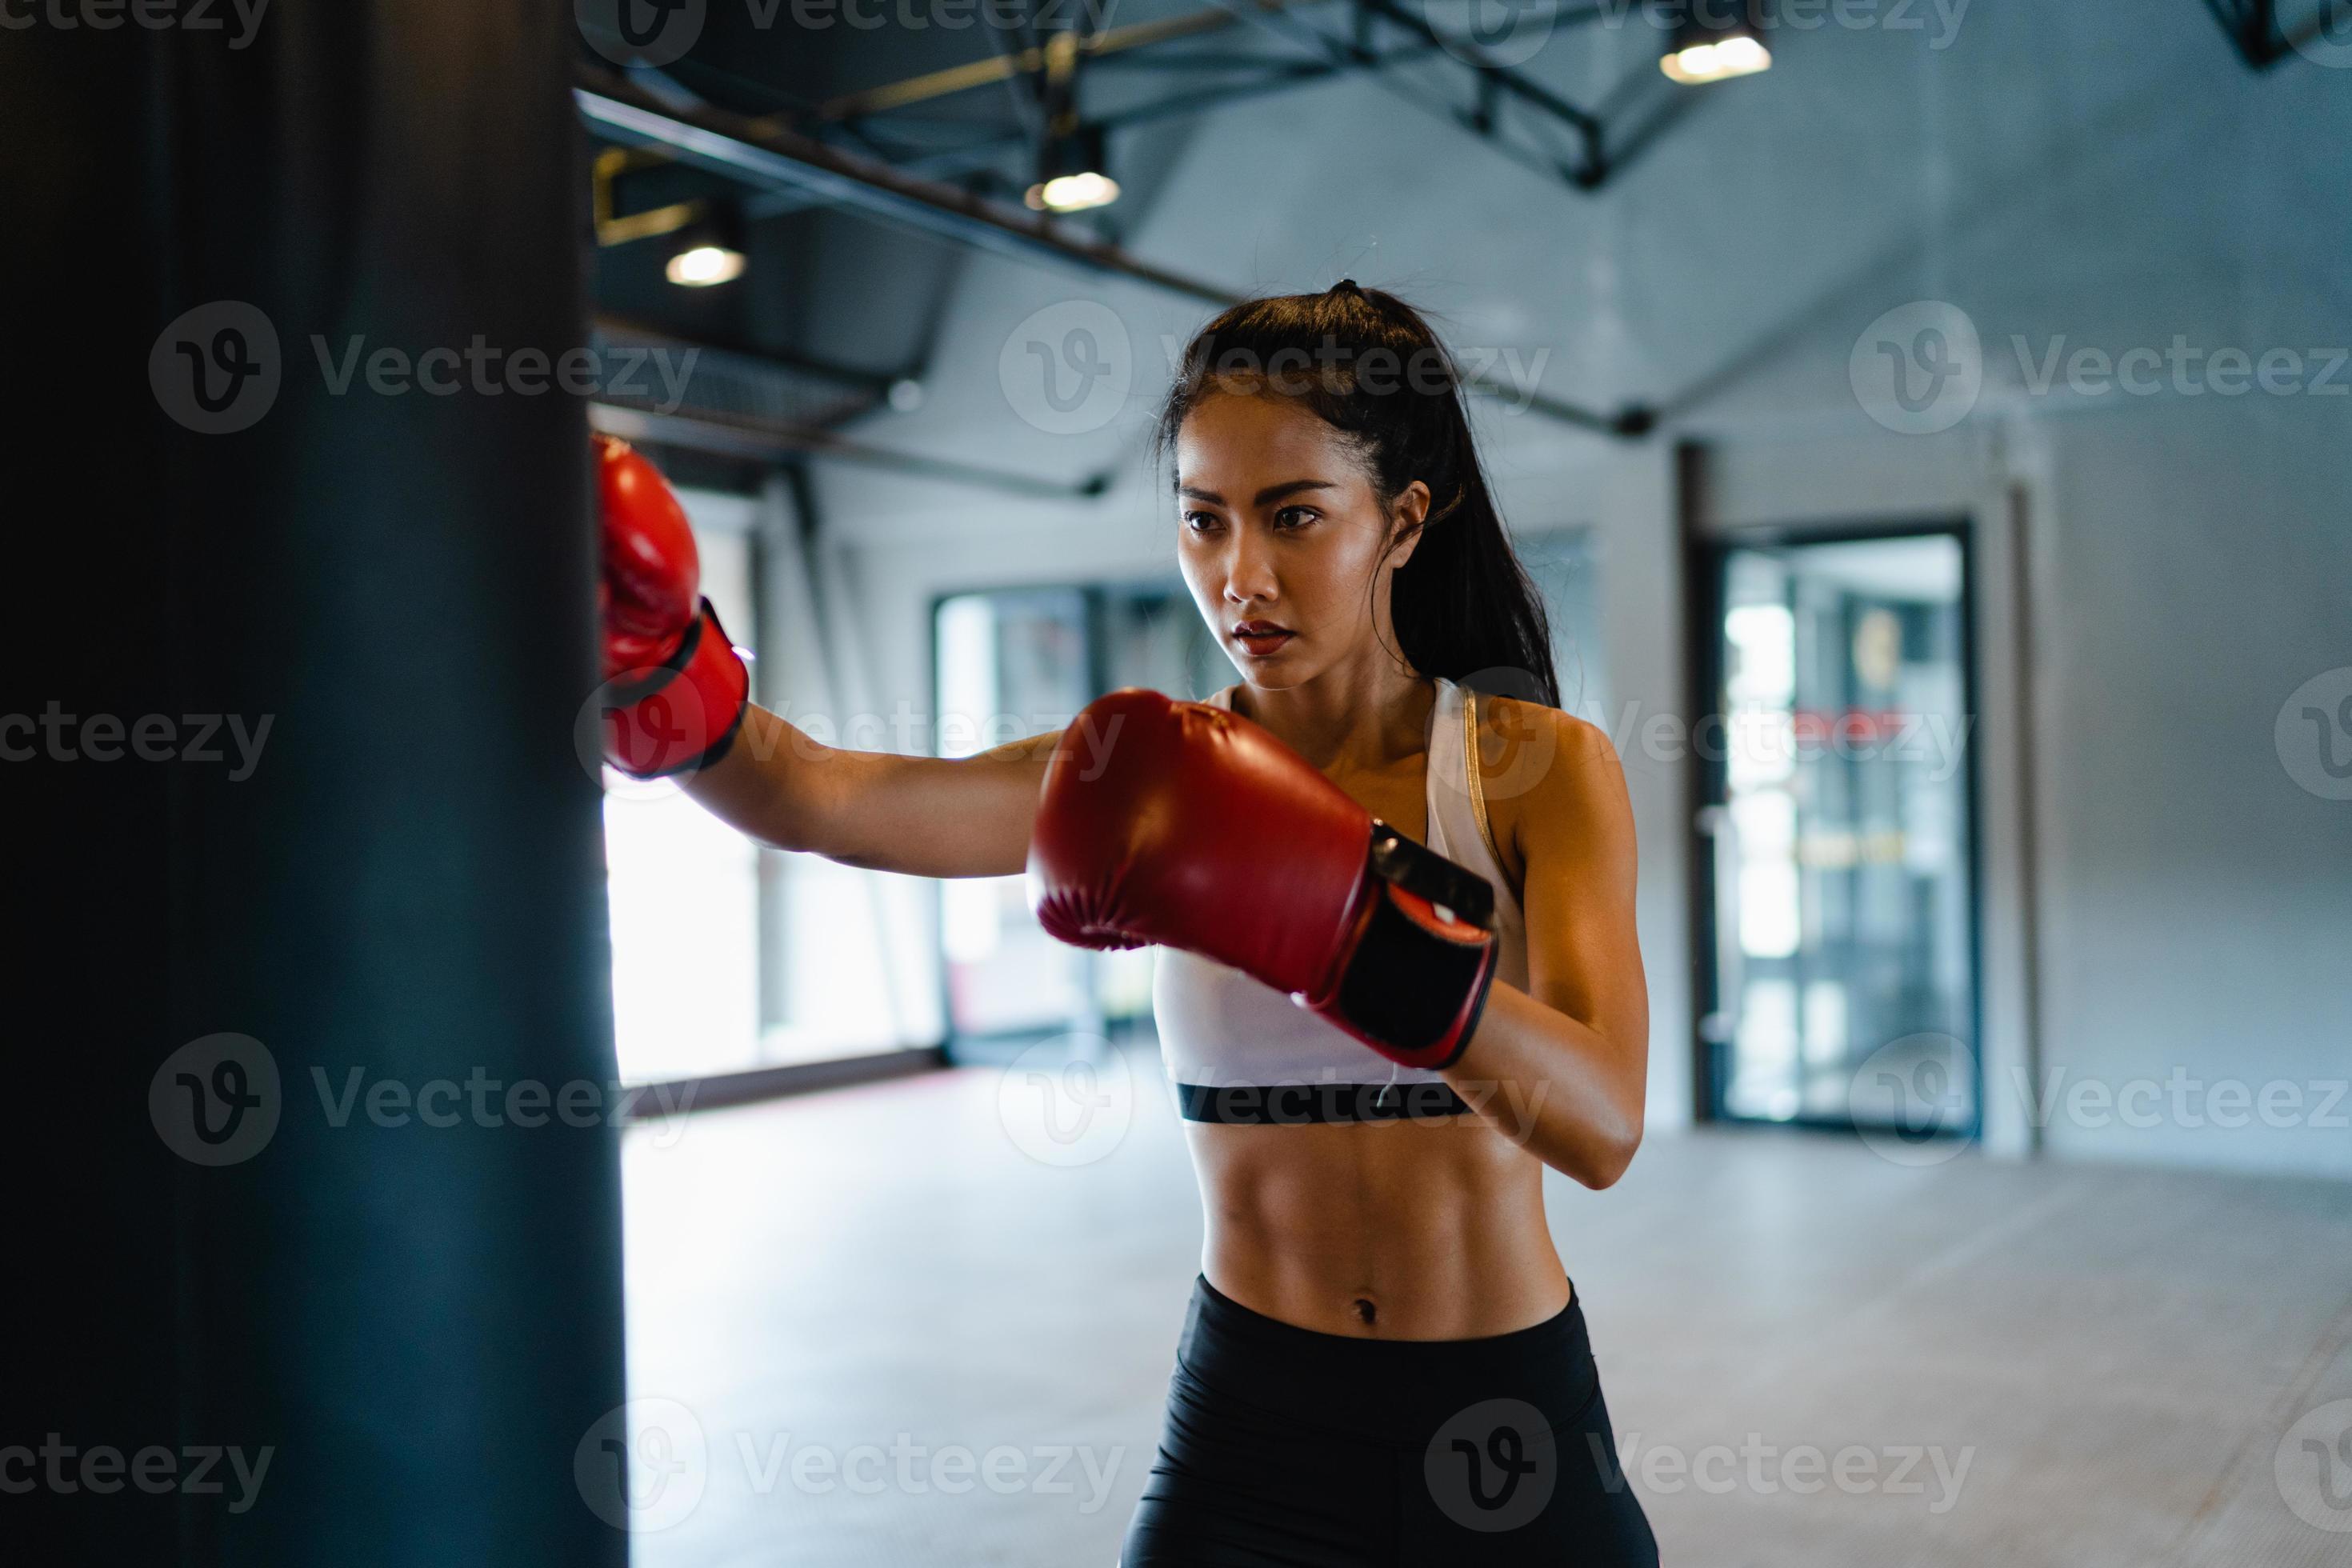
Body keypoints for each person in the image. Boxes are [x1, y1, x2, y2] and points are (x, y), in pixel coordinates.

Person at [594, 280, 1659, 1564]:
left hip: (1507, 1426)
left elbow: (1601, 1124)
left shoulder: (1535, 766)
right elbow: (826, 796)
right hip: (1254, 1421)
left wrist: (1355, 926)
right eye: (1202, 521)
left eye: (1294, 518)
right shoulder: (1148, 773)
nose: (1239, 576)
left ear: (1404, 521)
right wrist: (663, 673)